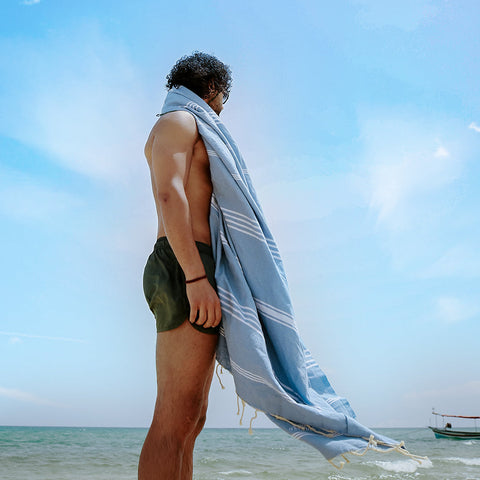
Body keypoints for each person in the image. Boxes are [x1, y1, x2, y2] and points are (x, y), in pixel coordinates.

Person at [138, 52, 232, 480]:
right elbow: (169, 195)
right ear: (212, 86)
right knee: (174, 418)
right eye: (223, 97)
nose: (223, 108)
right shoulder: (178, 122)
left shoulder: (189, 126)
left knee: (192, 420)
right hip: (184, 264)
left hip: (194, 264)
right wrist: (195, 276)